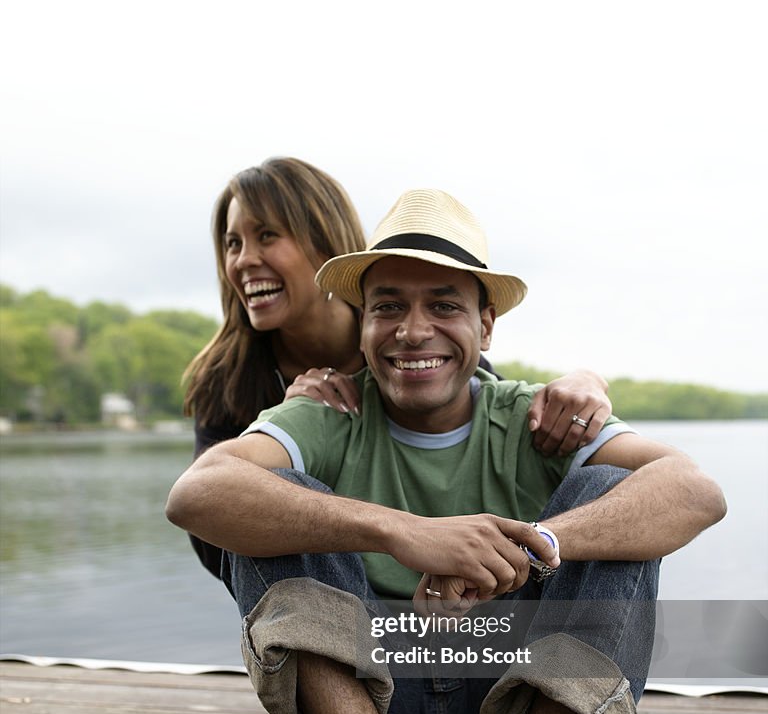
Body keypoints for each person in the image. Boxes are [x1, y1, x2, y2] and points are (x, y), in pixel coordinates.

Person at [167, 189, 726, 714]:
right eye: (387, 306)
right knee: (274, 510)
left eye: (444, 305)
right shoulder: (324, 415)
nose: (413, 330)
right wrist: (400, 531)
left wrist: (537, 548)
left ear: (485, 325)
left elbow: (696, 491)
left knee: (616, 503)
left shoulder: (533, 417)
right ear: (361, 325)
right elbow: (196, 496)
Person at [182, 157, 615, 580]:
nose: (242, 260)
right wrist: (297, 431)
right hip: (314, 588)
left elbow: (488, 434)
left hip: (430, 594)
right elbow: (210, 536)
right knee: (277, 489)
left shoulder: (413, 346)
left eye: (267, 236)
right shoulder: (227, 378)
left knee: (608, 483)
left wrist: (588, 380)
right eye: (232, 243)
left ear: (323, 241)